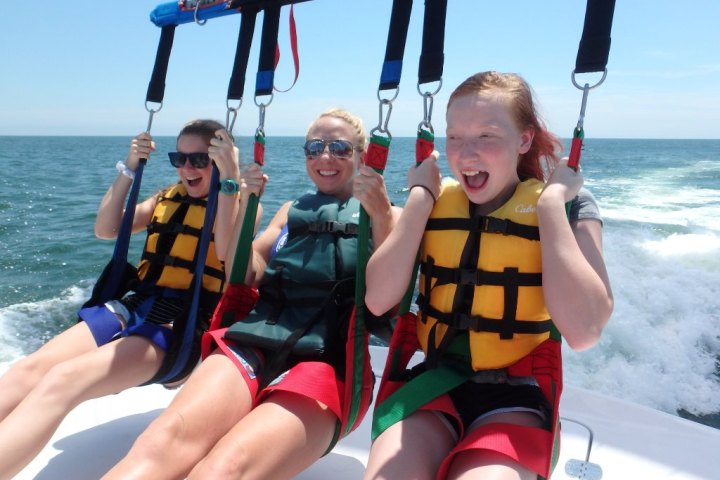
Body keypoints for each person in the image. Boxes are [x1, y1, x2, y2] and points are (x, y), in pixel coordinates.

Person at [103, 108, 401, 480]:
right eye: (314, 148)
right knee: (161, 440)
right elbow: (243, 273)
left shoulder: (391, 215)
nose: (325, 157)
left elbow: (389, 299)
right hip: (257, 338)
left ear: (363, 153)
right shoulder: (291, 211)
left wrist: (381, 214)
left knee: (224, 468)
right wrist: (241, 198)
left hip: (331, 361)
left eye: (339, 148)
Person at [363, 71, 614, 480]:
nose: (466, 154)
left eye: (486, 137)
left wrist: (551, 206)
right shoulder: (433, 202)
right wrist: (419, 199)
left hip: (514, 399)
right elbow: (378, 299)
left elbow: (584, 331)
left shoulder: (571, 208)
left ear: (524, 140)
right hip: (435, 384)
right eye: (455, 137)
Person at [0, 119, 243, 479]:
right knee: (29, 370)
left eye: (199, 160)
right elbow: (105, 229)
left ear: (219, 161)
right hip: (134, 305)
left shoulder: (233, 205)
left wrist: (232, 179)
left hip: (180, 324)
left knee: (63, 380)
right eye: (179, 157)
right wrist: (129, 168)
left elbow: (227, 253)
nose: (186, 168)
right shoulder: (165, 198)